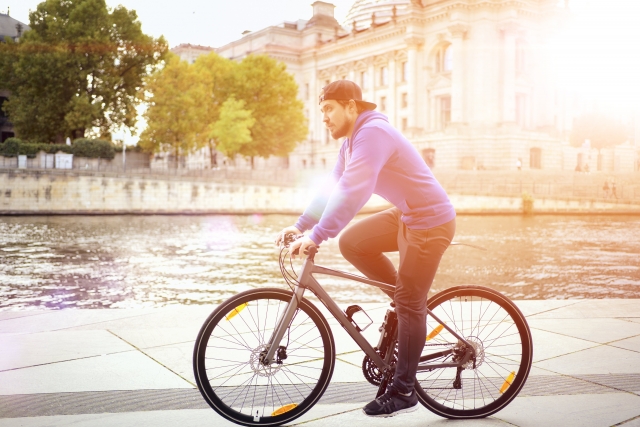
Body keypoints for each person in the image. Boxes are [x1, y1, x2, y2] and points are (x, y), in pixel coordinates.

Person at [275, 80, 456, 418]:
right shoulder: (350, 143)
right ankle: (400, 302)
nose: (324, 117)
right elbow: (332, 188)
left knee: (410, 302)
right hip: (406, 215)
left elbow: (354, 191)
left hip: (430, 222)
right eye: (322, 111)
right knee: (352, 243)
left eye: (329, 109)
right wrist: (301, 225)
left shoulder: (373, 134)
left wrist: (317, 235)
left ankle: (404, 390)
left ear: (352, 107)